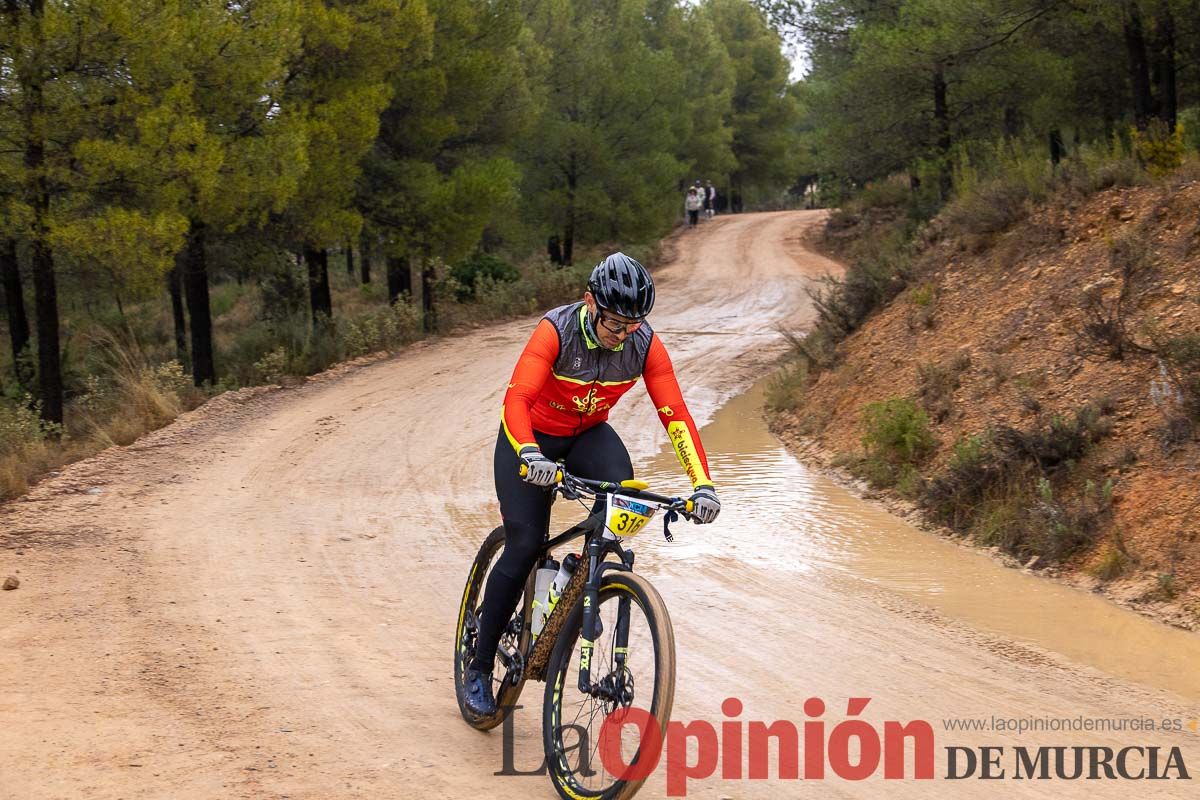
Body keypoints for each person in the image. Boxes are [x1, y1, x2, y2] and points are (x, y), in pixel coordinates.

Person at [463, 252, 721, 718]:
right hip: (530, 438)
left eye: (633, 325)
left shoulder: (643, 343)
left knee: (624, 504)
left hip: (587, 435)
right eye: (615, 324)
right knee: (524, 544)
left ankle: (579, 577)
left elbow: (675, 415)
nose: (623, 335)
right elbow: (517, 399)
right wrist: (529, 453)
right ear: (590, 303)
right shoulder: (556, 330)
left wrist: (702, 484)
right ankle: (480, 666)